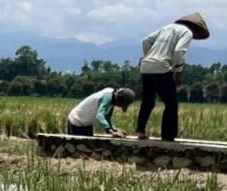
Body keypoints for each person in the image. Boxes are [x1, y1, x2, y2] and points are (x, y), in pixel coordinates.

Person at [135, 12, 210, 141]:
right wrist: (178, 71)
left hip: (146, 66)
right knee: (171, 104)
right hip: (162, 67)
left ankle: (140, 131)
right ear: (195, 28)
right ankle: (168, 136)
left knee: (148, 101)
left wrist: (149, 57)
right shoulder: (187, 32)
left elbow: (146, 41)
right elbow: (178, 52)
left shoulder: (167, 27)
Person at [66, 87, 135, 138]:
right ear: (118, 97)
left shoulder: (112, 100)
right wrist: (110, 131)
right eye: (120, 104)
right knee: (78, 148)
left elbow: (107, 118)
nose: (119, 106)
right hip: (76, 121)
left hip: (86, 124)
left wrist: (115, 129)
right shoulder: (107, 97)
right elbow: (100, 116)